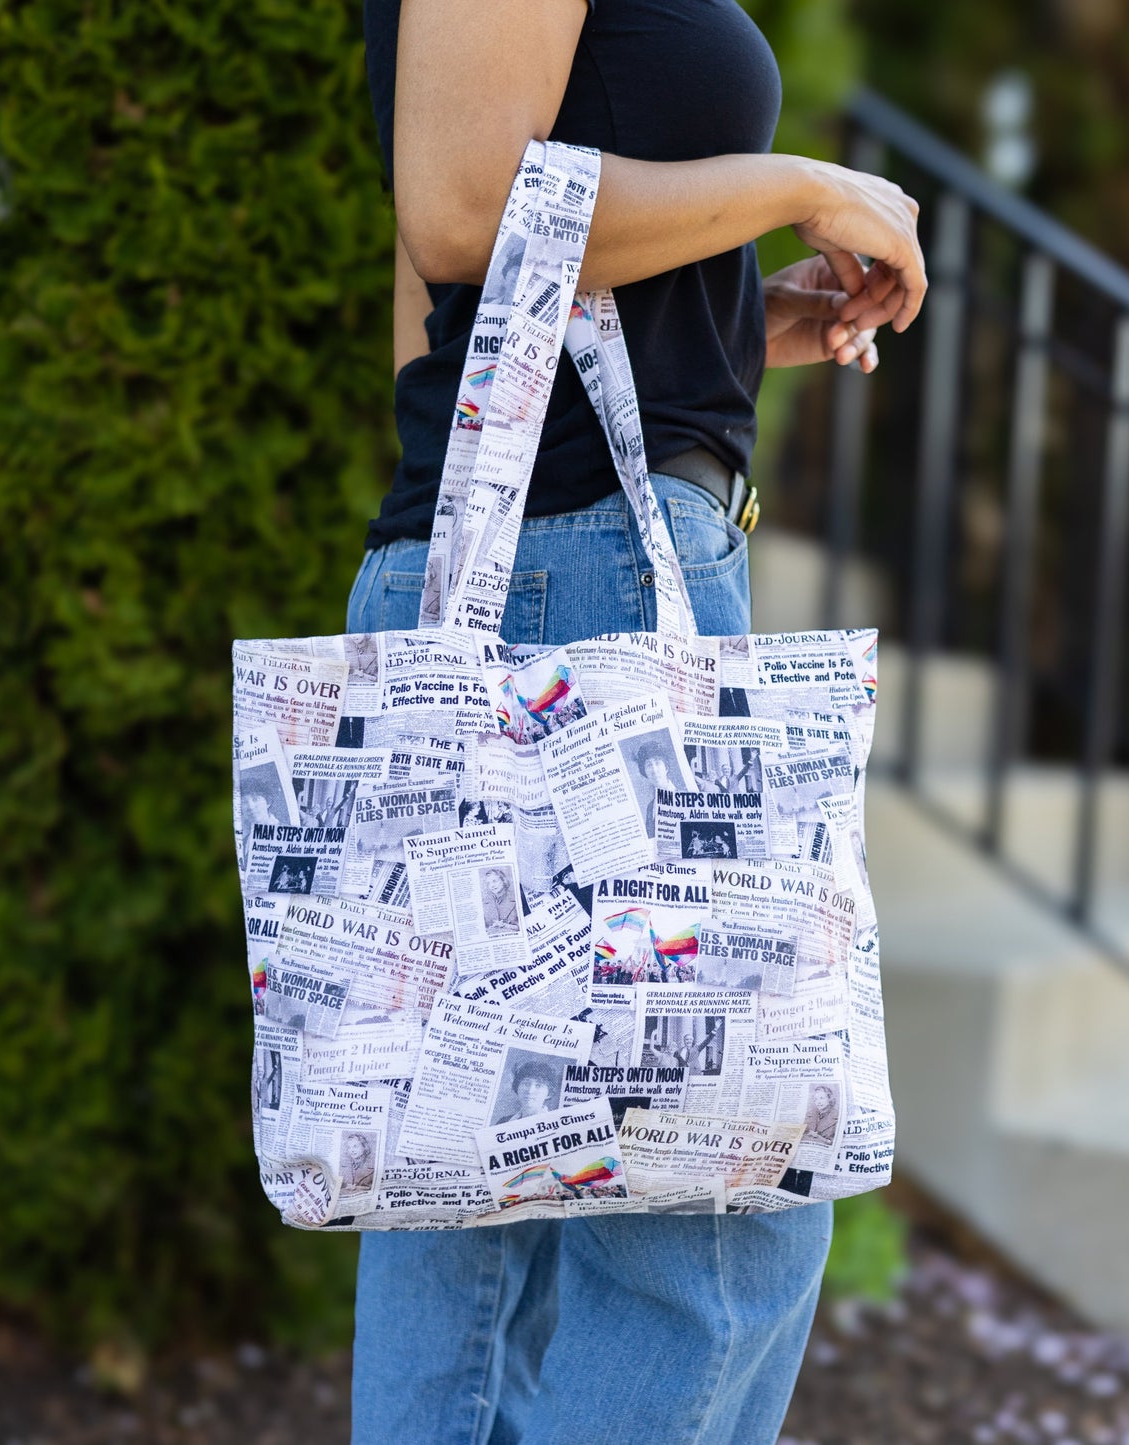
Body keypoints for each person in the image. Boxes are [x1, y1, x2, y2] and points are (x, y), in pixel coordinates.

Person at [351, 3, 923, 1441]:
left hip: (548, 566)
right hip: (580, 577)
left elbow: (474, 279)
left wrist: (728, 319)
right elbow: (463, 212)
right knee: (722, 1209)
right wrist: (800, 183)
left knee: (462, 1218)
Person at [493, 1059, 561, 1124]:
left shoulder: (555, 1123)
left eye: (538, 1085)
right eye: (526, 1084)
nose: (530, 1091)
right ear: (517, 1087)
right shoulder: (503, 1122)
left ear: (549, 1093)